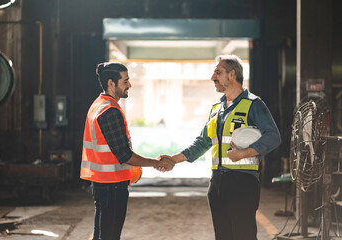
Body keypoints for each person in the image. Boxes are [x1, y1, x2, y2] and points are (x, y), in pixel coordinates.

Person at [160, 55, 281, 240]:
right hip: (217, 183)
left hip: (243, 183)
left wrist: (243, 153)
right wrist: (172, 160)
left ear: (232, 75)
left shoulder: (254, 104)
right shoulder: (217, 108)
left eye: (218, 72)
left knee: (244, 235)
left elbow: (273, 137)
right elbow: (202, 142)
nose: (212, 77)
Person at [80, 62, 175, 240]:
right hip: (112, 186)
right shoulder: (109, 111)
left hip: (102, 184)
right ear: (111, 83)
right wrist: (156, 162)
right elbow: (124, 155)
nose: (129, 85)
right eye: (125, 81)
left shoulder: (98, 105)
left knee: (101, 236)